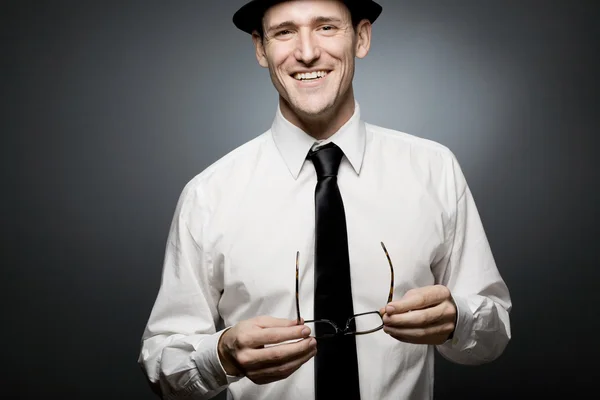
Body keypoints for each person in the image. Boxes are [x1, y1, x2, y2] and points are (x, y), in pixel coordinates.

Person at [137, 0, 512, 399]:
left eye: (326, 27)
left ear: (362, 37)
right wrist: (221, 356)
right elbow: (162, 365)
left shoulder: (434, 170)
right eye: (284, 32)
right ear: (261, 49)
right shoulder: (208, 195)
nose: (307, 51)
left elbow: (494, 333)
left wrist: (460, 319)